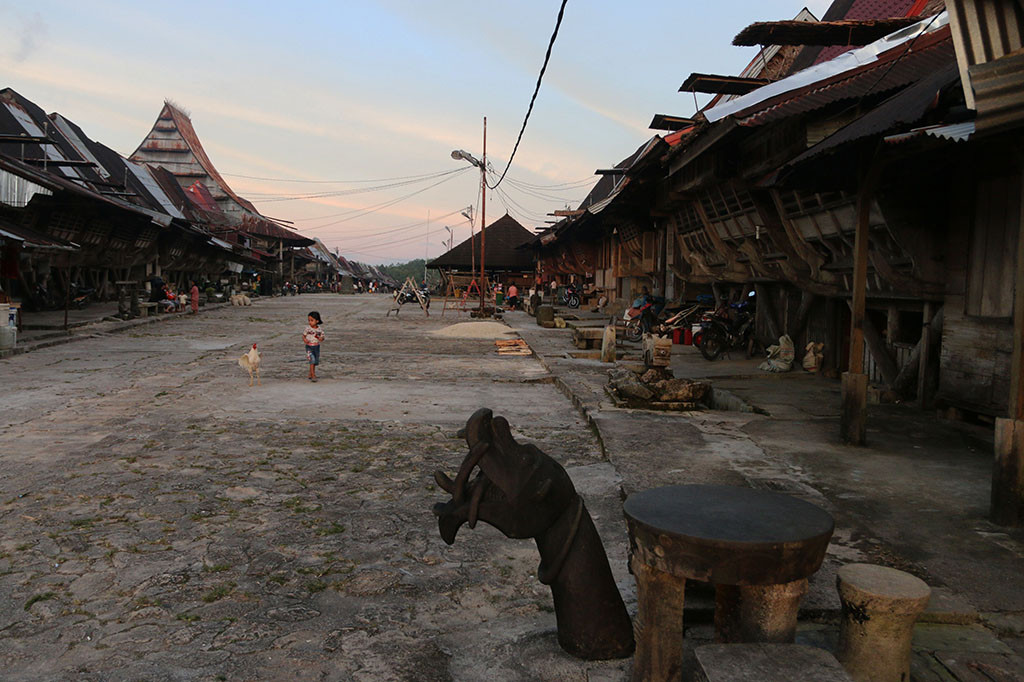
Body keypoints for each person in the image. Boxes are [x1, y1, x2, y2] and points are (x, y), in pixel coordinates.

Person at [302, 311, 325, 382]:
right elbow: (304, 335)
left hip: (316, 346)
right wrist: (305, 340)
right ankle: (313, 375)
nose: (310, 322)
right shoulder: (308, 329)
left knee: (315, 361)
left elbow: (322, 337)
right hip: (309, 346)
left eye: (312, 320)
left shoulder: (319, 329)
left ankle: (310, 372)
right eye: (309, 320)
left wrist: (320, 338)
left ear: (317, 321)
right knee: (312, 359)